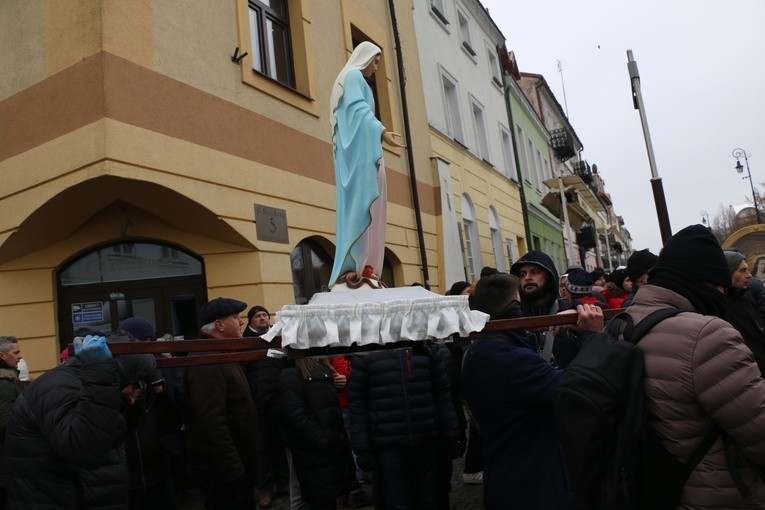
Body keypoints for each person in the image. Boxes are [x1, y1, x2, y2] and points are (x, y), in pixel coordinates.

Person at [626, 224, 765, 507]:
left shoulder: (623, 324)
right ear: (702, 282)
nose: (722, 296)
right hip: (721, 494)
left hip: (657, 490)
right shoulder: (707, 335)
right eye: (718, 287)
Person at [462, 273, 603, 509]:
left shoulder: (480, 350)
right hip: (534, 484)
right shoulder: (509, 358)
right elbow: (575, 391)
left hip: (508, 474)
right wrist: (592, 336)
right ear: (515, 307)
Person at [5, 333, 162, 509]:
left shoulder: (92, 386)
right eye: (137, 387)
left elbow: (116, 433)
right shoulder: (58, 387)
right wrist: (102, 376)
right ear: (121, 372)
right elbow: (85, 450)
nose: (134, 399)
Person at [328, 41, 404, 286]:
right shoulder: (352, 77)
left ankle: (368, 266)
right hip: (360, 157)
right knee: (362, 206)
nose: (377, 67)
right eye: (376, 60)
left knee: (374, 207)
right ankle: (357, 265)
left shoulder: (359, 83)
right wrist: (382, 133)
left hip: (367, 151)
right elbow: (360, 113)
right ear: (366, 57)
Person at [349, 346, 460, 509]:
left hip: (427, 439)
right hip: (388, 445)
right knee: (398, 503)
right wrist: (362, 448)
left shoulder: (425, 345)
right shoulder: (367, 351)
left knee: (428, 501)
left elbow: (442, 393)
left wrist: (451, 435)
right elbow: (358, 402)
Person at [184, 298, 259, 510]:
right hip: (222, 474)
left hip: (232, 468)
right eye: (236, 318)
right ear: (219, 325)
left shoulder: (218, 352)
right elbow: (213, 425)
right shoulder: (206, 360)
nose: (241, 322)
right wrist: (235, 473)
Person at [118, 318, 183, 510]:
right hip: (128, 482)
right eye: (142, 343)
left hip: (160, 473)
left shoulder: (161, 373)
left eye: (151, 343)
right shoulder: (113, 382)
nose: (148, 351)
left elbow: (172, 423)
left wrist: (159, 391)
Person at [280, 358, 358, 510]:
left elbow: (318, 397)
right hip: (316, 453)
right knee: (320, 501)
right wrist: (322, 440)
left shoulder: (319, 363)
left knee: (328, 499)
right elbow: (295, 414)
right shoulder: (291, 372)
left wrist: (337, 384)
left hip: (327, 452)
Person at [242, 306, 288, 509]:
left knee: (280, 444)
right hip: (256, 405)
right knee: (262, 449)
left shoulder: (277, 338)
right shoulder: (245, 343)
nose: (262, 318)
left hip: (277, 402)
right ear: (251, 321)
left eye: (265, 315)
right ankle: (265, 489)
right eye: (257, 316)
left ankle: (284, 483)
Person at [510, 251, 582, 368]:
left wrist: (576, 314)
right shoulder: (514, 313)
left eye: (535, 272)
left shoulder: (570, 306)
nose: (527, 278)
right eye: (522, 274)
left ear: (549, 276)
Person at [723, 250, 765, 374]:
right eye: (742, 270)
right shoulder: (720, 306)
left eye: (747, 269)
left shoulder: (746, 296)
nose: (749, 275)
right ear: (728, 272)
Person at [0, 337, 22, 509]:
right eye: (16, 353)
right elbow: (6, 424)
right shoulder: (4, 386)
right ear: (2, 355)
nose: (20, 356)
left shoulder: (9, 382)